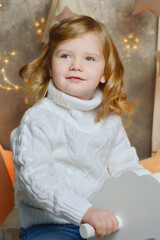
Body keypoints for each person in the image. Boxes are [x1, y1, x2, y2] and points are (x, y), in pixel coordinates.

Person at [10, 15, 150, 240]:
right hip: (51, 225)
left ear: (105, 73)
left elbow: (126, 169)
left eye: (89, 59)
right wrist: (85, 212)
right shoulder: (38, 120)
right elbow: (38, 181)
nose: (76, 65)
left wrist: (149, 191)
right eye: (65, 56)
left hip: (105, 222)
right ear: (49, 67)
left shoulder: (109, 120)